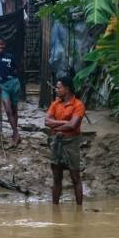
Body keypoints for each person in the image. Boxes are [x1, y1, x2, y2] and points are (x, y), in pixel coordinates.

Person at [45, 76, 86, 206]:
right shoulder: (55, 103)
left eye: (59, 87)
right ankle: (55, 208)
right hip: (57, 142)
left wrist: (55, 127)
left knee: (75, 177)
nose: (56, 90)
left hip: (71, 142)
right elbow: (46, 121)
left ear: (67, 89)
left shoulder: (78, 104)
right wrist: (64, 123)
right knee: (57, 178)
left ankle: (79, 209)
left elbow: (73, 125)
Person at [0, 36, 21, 145]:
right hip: (2, 86)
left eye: (1, 44)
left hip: (14, 84)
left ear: (5, 45)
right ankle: (16, 133)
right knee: (7, 109)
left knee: (14, 109)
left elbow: (18, 68)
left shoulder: (10, 56)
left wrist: (13, 76)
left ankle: (14, 132)